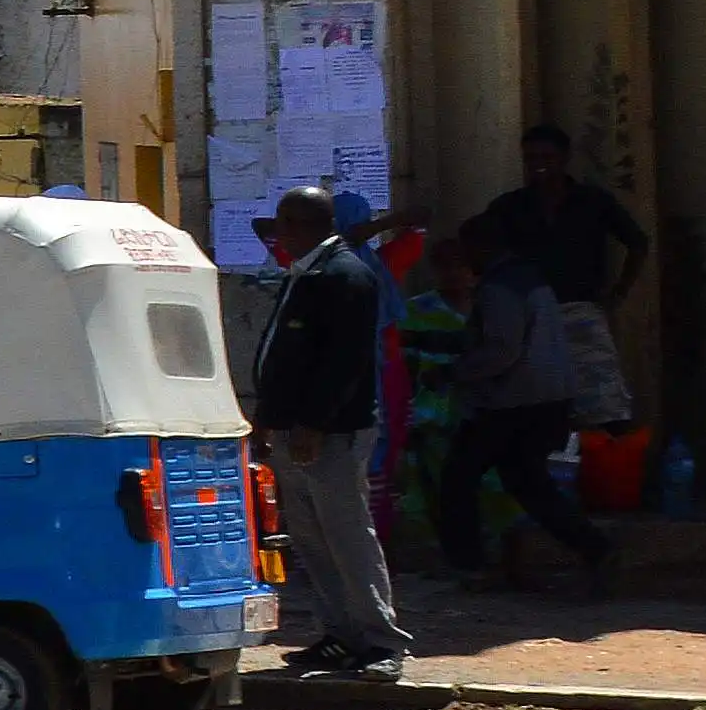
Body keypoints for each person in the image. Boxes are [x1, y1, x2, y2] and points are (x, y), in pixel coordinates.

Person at [247, 184, 410, 680]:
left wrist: (315, 423)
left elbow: (345, 363)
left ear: (306, 225)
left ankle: (382, 642)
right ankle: (342, 634)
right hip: (292, 430)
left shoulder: (344, 275)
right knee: (312, 539)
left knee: (347, 535)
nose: (279, 233)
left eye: (285, 223)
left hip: (329, 433)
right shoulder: (308, 272)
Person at [429, 226, 614, 588]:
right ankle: (594, 547)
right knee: (527, 482)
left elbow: (501, 350)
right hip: (546, 400)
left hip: (511, 403)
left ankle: (468, 564)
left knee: (458, 477)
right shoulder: (528, 279)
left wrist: (453, 373)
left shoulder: (500, 287)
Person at [467, 124, 649, 430]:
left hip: (580, 311)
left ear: (564, 158)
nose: (538, 164)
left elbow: (638, 243)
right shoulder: (509, 207)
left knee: (603, 405)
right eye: (531, 157)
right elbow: (480, 245)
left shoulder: (593, 201)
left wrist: (619, 292)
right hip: (526, 317)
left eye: (546, 156)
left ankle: (603, 469)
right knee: (534, 404)